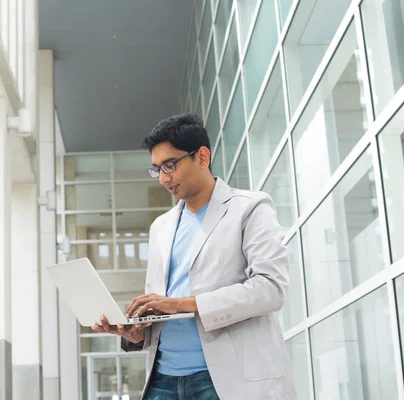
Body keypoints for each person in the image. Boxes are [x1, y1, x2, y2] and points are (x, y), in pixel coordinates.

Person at [91, 113, 297, 399]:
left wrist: (180, 304)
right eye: (156, 169)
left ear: (202, 157)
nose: (163, 178)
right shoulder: (160, 227)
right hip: (163, 381)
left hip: (224, 381)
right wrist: (136, 333)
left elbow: (270, 289)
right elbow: (160, 307)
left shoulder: (250, 208)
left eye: (170, 165)